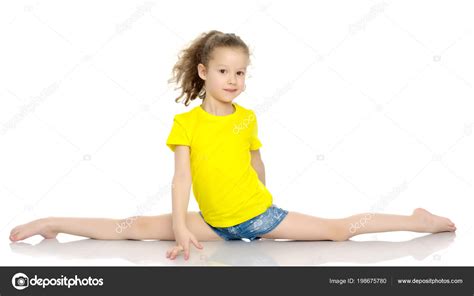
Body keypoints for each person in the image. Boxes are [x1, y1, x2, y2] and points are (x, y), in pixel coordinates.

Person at [9, 30, 456, 261]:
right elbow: (182, 176)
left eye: (240, 73)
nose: (234, 81)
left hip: (258, 216)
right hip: (214, 223)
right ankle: (52, 222)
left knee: (338, 231)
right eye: (224, 72)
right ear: (204, 72)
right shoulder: (186, 123)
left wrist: (262, 202)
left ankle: (415, 219)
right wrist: (183, 228)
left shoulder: (247, 119)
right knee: (133, 226)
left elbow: (257, 164)